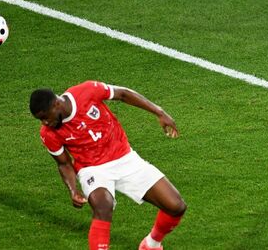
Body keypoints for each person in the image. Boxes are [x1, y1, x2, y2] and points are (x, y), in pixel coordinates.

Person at [29, 81, 186, 250]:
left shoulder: (87, 91)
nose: (44, 123)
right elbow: (64, 163)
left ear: (56, 104)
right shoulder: (48, 134)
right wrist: (73, 190)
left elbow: (123, 94)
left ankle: (151, 244)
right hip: (92, 169)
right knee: (103, 207)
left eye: (45, 117)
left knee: (176, 206)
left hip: (125, 158)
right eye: (40, 119)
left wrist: (159, 112)